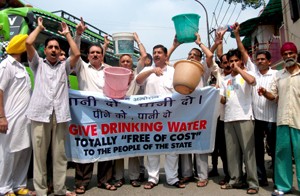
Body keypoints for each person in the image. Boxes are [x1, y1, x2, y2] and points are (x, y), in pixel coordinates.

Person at [25, 17, 81, 196]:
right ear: (45, 50)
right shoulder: (37, 64)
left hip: (60, 115)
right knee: (40, 157)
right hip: (40, 114)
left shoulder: (64, 67)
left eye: (57, 47)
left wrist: (68, 35)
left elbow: (77, 54)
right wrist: (39, 28)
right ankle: (41, 191)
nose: (54, 50)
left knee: (59, 156)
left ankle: (60, 189)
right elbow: (28, 42)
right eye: (50, 47)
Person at [72, 18, 117, 194]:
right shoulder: (81, 67)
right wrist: (78, 34)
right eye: (92, 53)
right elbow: (73, 52)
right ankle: (82, 182)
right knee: (85, 148)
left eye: (99, 52)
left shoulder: (109, 70)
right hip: (85, 116)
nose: (96, 55)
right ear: (88, 55)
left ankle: (104, 180)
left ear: (102, 54)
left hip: (106, 115)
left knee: (106, 147)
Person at [167, 33, 214, 188]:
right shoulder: (180, 69)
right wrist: (174, 45)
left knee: (200, 144)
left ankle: (202, 175)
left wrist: (199, 43)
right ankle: (187, 174)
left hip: (200, 112)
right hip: (183, 112)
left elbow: (210, 55)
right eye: (190, 54)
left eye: (195, 55)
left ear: (199, 59)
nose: (192, 56)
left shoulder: (203, 70)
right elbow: (164, 61)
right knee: (184, 142)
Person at [233, 24, 278, 187]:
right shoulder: (252, 72)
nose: (259, 61)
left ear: (269, 61)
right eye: (257, 59)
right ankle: (261, 178)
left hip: (273, 119)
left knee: (274, 150)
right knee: (257, 150)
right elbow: (243, 52)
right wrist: (237, 35)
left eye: (262, 59)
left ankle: (279, 179)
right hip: (256, 119)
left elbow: (276, 96)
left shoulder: (276, 74)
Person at [136, 44, 185, 189]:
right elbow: (138, 81)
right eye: (154, 52)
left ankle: (172, 178)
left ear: (165, 56)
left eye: (159, 52)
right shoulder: (147, 70)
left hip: (170, 116)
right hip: (151, 117)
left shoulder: (173, 71)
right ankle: (153, 178)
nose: (156, 55)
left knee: (172, 149)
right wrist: (151, 70)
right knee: (152, 148)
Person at [259, 42, 300, 195]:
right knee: (282, 154)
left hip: (298, 121)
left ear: (296, 54)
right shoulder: (279, 75)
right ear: (282, 57)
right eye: (285, 54)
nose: (288, 56)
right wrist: (264, 92)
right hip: (282, 120)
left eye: (291, 53)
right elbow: (273, 96)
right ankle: (283, 186)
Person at [219, 45, 259, 194]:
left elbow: (253, 82)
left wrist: (239, 71)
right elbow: (224, 100)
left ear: (241, 61)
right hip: (229, 118)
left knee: (248, 152)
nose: (233, 63)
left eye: (236, 60)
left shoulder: (247, 73)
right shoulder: (225, 80)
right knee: (232, 153)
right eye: (231, 61)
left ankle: (253, 183)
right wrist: (216, 94)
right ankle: (235, 180)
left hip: (245, 117)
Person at [0, 34, 35, 196]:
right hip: (10, 119)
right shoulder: (6, 65)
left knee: (23, 152)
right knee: (8, 153)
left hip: (25, 120)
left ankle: (18, 185)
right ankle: (4, 188)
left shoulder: (22, 67)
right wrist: (1, 117)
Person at [112, 32, 147, 188]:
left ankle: (134, 176)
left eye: (128, 61)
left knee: (132, 147)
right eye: (123, 61)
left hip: (133, 118)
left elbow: (144, 57)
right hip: (118, 118)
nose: (126, 63)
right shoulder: (113, 75)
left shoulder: (136, 74)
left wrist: (138, 41)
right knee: (119, 148)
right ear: (119, 63)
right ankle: (118, 177)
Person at [208, 30, 231, 186]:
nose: (228, 64)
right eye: (224, 63)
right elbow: (211, 57)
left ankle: (231, 173)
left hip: (232, 117)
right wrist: (218, 41)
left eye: (230, 62)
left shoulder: (240, 75)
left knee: (227, 149)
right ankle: (216, 169)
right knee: (216, 146)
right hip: (217, 117)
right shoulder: (220, 76)